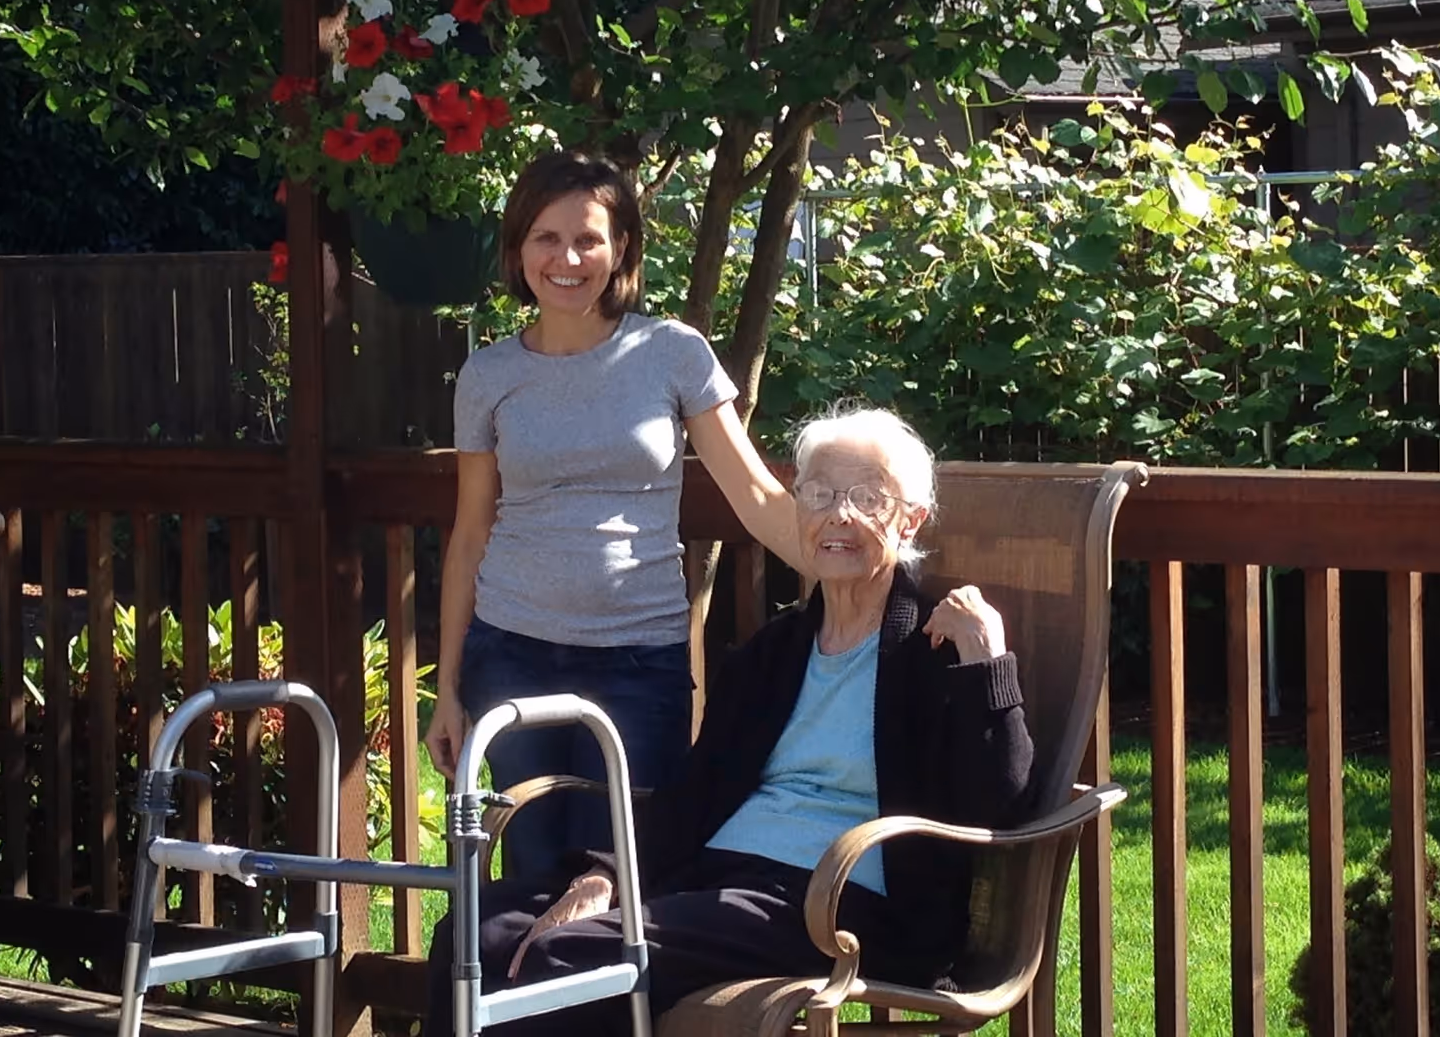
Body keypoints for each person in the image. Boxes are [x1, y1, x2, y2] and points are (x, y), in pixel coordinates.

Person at [423, 406, 1038, 1037]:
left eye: (867, 498)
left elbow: (1003, 802)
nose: (839, 515)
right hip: (718, 876)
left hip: (840, 902)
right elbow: (694, 795)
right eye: (820, 494)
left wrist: (988, 662)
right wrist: (608, 874)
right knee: (478, 928)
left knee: (576, 958)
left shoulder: (935, 650)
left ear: (910, 520)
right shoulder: (771, 654)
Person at [426, 150, 806, 880]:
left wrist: (848, 568)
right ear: (518, 248)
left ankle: (615, 1003)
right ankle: (525, 997)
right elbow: (470, 534)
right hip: (511, 654)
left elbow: (755, 494)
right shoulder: (488, 375)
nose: (567, 258)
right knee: (531, 872)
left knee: (622, 877)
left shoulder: (671, 354)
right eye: (546, 238)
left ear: (622, 247)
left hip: (640, 661)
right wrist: (448, 690)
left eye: (588, 238)